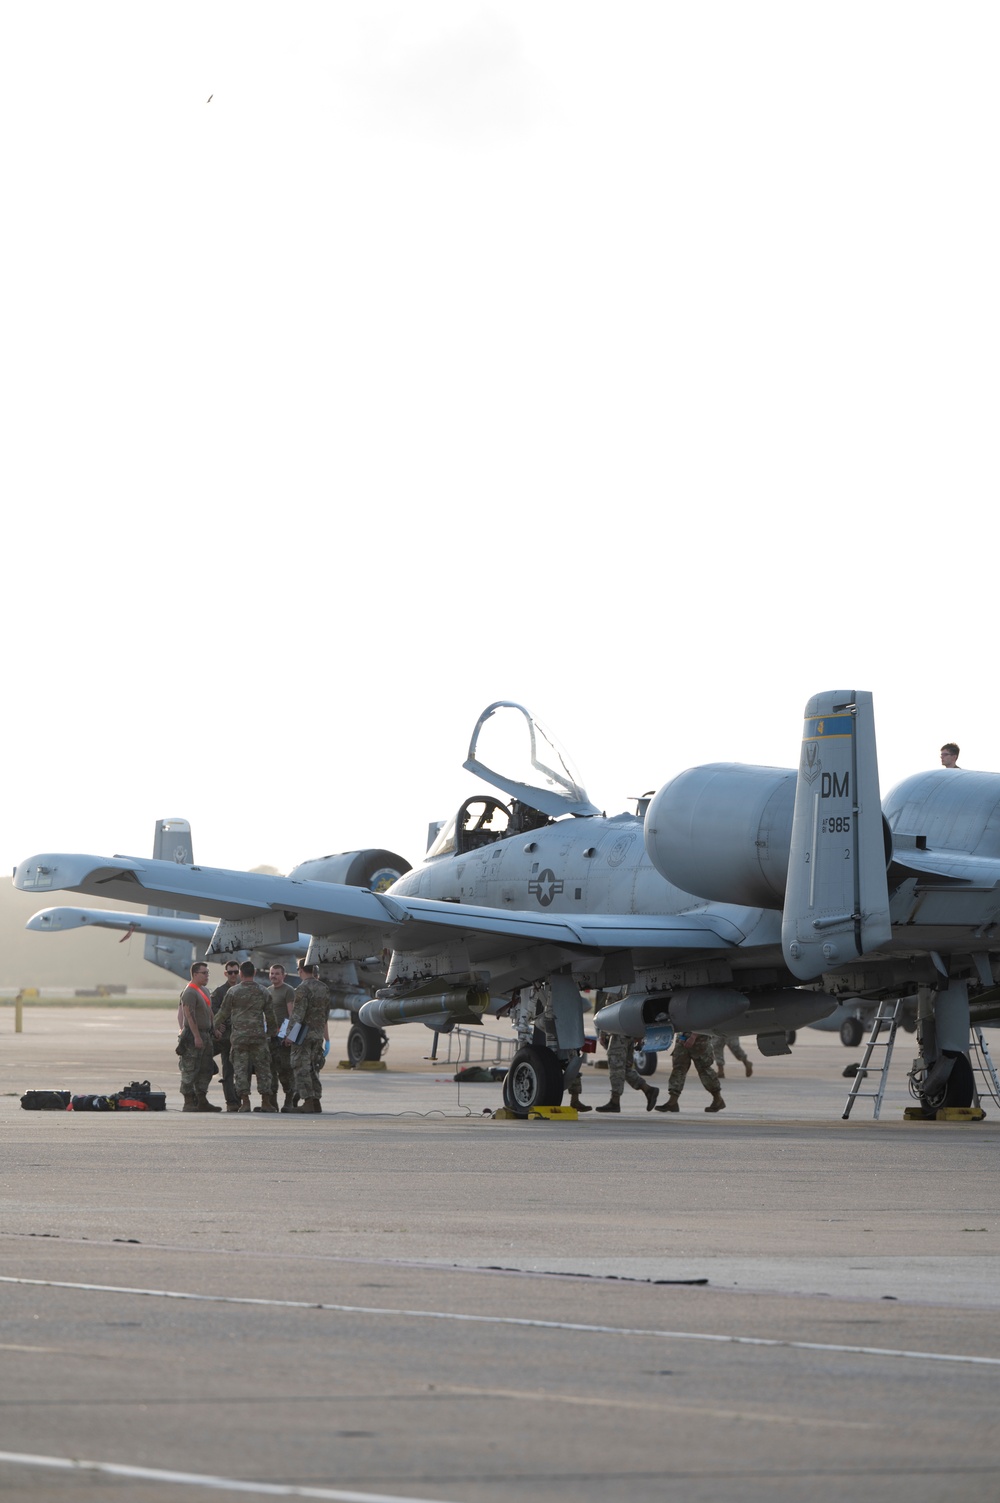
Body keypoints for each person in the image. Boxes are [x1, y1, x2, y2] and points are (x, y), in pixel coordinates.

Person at [213, 960, 277, 1113]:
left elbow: (222, 1013)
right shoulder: (263, 991)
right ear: (254, 973)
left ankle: (245, 1102)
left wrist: (214, 1028)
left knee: (240, 1069)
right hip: (258, 1037)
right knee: (263, 1069)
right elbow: (270, 1016)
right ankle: (266, 1102)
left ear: (240, 974)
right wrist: (271, 1033)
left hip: (239, 1037)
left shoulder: (233, 991)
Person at [284, 961, 331, 1114]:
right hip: (317, 1034)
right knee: (313, 1067)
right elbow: (326, 1013)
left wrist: (290, 1035)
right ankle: (316, 1101)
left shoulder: (302, 988)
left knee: (300, 1067)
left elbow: (297, 1014)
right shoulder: (324, 988)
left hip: (303, 1035)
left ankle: (308, 1101)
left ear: (301, 970)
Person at [177, 960, 221, 1112]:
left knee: (206, 1068)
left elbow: (208, 1012)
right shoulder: (189, 992)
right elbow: (189, 1016)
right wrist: (196, 1036)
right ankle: (188, 1101)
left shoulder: (204, 990)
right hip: (193, 1035)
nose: (207, 975)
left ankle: (202, 1099)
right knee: (190, 1069)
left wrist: (214, 1029)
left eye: (208, 973)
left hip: (206, 1034)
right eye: (204, 973)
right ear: (195, 974)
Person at [655, 1031, 725, 1113]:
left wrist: (693, 1036)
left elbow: (702, 1021)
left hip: (700, 1039)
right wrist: (682, 1037)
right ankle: (672, 1101)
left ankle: (718, 1099)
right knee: (678, 1068)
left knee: (704, 1070)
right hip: (683, 1037)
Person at [595, 1033, 659, 1112]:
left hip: (618, 1034)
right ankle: (648, 1090)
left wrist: (602, 1033)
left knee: (616, 1067)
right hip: (629, 1035)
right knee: (625, 1068)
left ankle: (615, 1101)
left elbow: (607, 1020)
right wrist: (640, 1036)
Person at [266, 963, 298, 1112]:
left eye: (277, 974)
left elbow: (292, 1015)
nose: (274, 976)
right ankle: (273, 1102)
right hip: (270, 1038)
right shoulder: (268, 991)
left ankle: (289, 1101)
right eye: (272, 973)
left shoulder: (288, 991)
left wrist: (290, 1035)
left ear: (283, 976)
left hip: (283, 1038)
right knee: (271, 1072)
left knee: (285, 1071)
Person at [211, 961, 243, 1111]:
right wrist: (219, 1023)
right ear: (226, 974)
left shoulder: (244, 990)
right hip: (227, 1039)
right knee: (229, 1071)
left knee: (244, 1070)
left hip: (243, 1037)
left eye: (236, 972)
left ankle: (241, 1098)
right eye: (230, 972)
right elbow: (213, 1009)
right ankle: (231, 1102)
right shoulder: (220, 992)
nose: (233, 975)